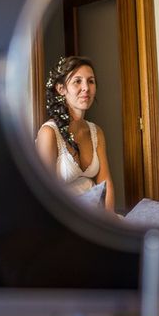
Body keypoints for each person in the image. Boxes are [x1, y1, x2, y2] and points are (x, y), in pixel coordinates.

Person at [36, 56, 115, 212]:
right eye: (77, 81)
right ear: (61, 89)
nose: (86, 88)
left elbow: (105, 183)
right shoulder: (49, 133)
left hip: (96, 215)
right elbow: (44, 194)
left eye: (90, 81)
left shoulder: (96, 132)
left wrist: (109, 219)